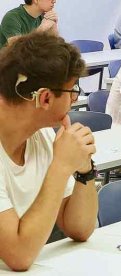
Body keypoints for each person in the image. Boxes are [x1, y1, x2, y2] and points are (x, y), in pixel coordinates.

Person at [0, 32, 98, 271]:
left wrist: (83, 169)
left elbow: (80, 228)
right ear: (44, 98)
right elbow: (19, 256)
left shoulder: (40, 132)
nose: (75, 99)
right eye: (71, 91)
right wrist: (61, 166)